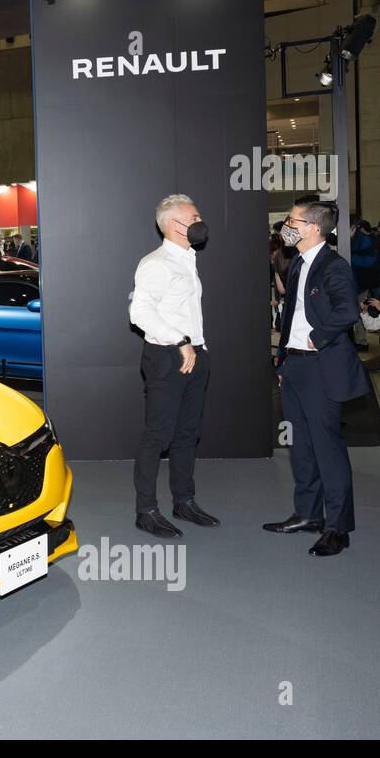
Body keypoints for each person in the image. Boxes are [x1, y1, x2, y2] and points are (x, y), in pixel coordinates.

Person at [264, 199, 370, 556]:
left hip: (322, 367)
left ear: (312, 227)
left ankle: (338, 527)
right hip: (295, 367)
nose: (286, 226)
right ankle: (308, 514)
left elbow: (348, 311)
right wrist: (283, 363)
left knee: (328, 449)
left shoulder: (333, 266)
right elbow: (292, 315)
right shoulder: (297, 263)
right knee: (302, 448)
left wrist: (317, 336)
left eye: (292, 220)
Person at [128, 193, 217, 538]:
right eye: (193, 218)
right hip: (167, 358)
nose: (199, 222)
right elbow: (140, 313)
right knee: (157, 436)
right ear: (172, 225)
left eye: (198, 215)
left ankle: (184, 501)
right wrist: (180, 340)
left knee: (186, 435)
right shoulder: (155, 263)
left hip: (195, 355)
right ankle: (146, 510)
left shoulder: (188, 260)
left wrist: (197, 346)